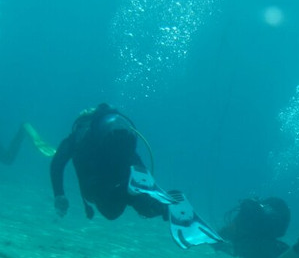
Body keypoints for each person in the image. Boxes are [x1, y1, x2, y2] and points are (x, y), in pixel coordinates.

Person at [49, 103, 221, 249]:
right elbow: (135, 163)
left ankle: (129, 190)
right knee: (142, 200)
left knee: (110, 211)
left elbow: (57, 163)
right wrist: (150, 187)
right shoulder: (117, 137)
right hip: (126, 170)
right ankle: (167, 205)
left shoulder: (77, 138)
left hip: (100, 181)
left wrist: (59, 194)